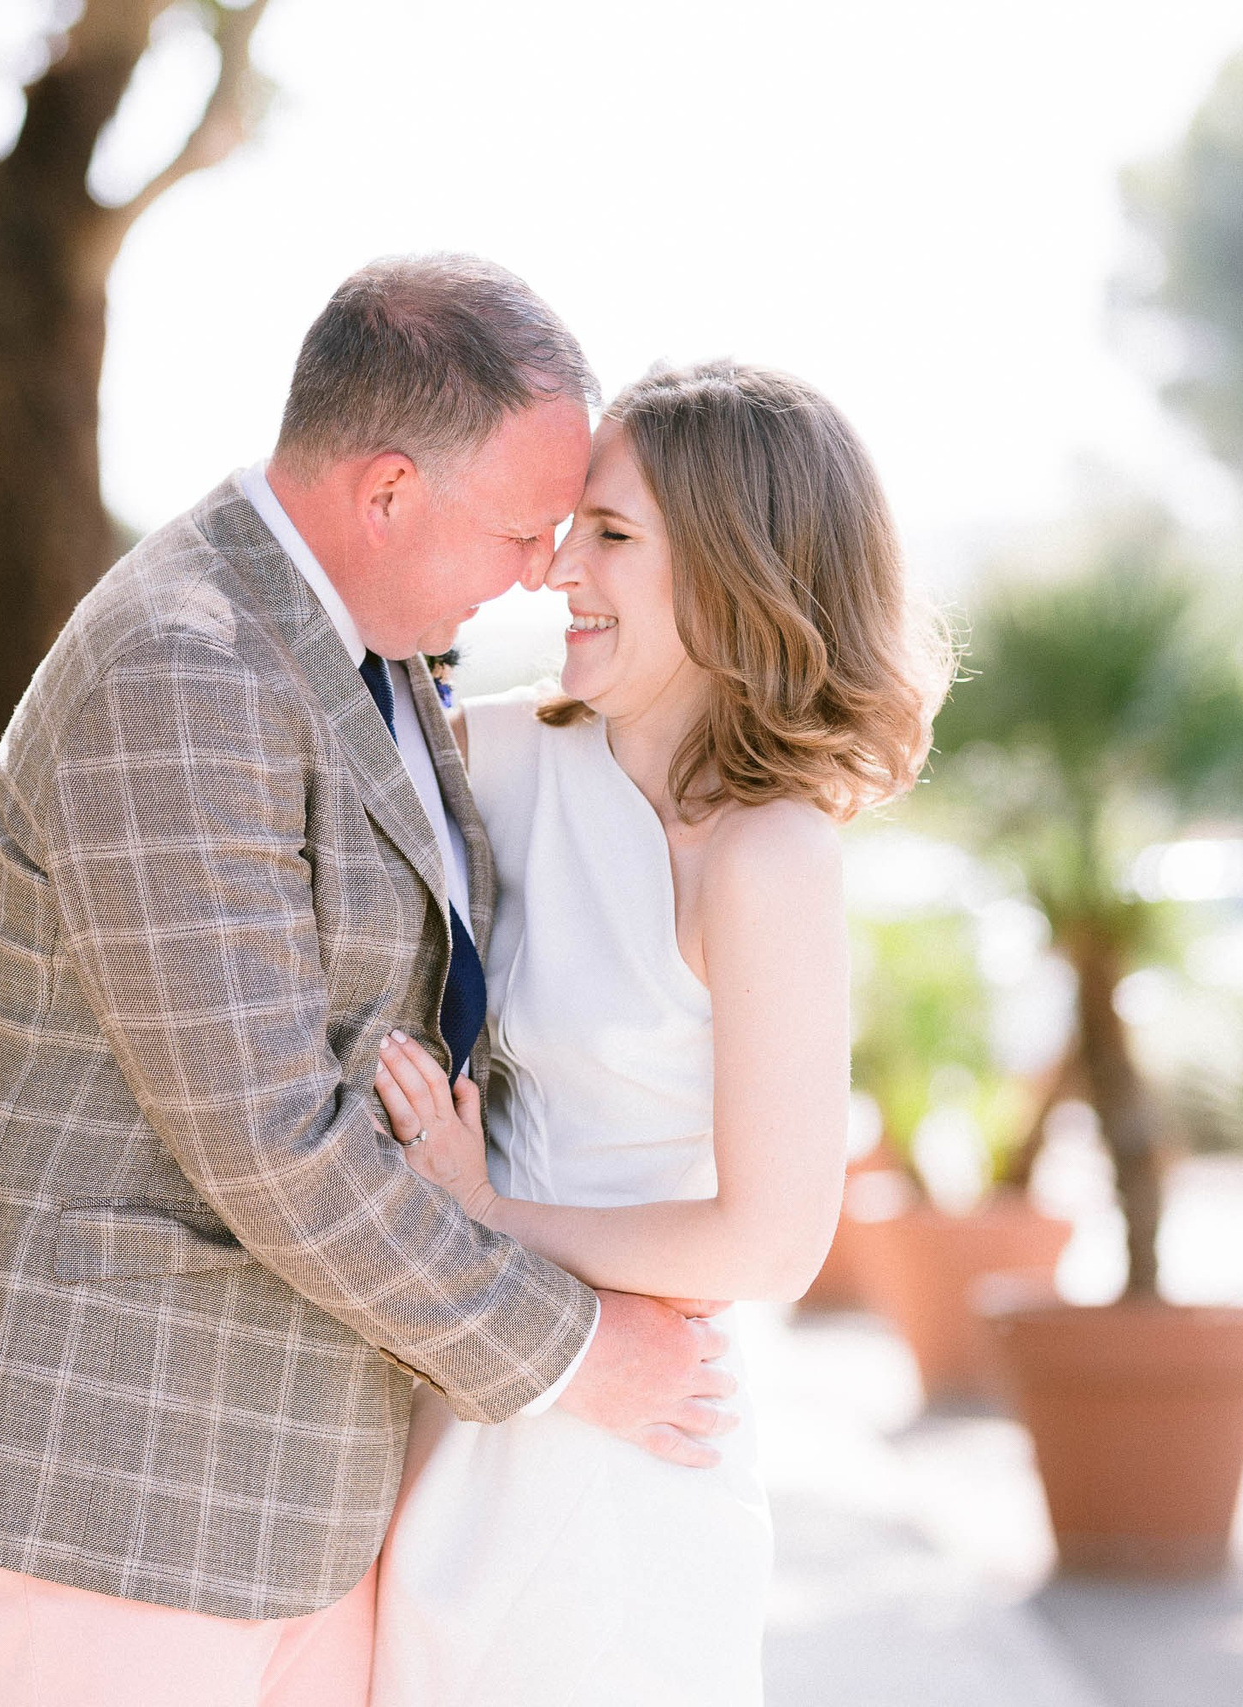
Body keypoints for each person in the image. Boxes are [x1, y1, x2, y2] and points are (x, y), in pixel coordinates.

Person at [0, 255, 738, 1707]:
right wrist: (577, 1354)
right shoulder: (183, 668)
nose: (545, 568)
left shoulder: (371, 646)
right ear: (389, 491)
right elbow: (269, 1134)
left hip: (299, 1487)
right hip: (124, 1486)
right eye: (524, 528)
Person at [369, 359, 949, 1706]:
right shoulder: (499, 755)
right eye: (573, 526)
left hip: (632, 1452)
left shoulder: (767, 855)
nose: (560, 568)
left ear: (738, 570)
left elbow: (773, 1241)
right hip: (461, 1412)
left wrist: (487, 1215)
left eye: (613, 535)